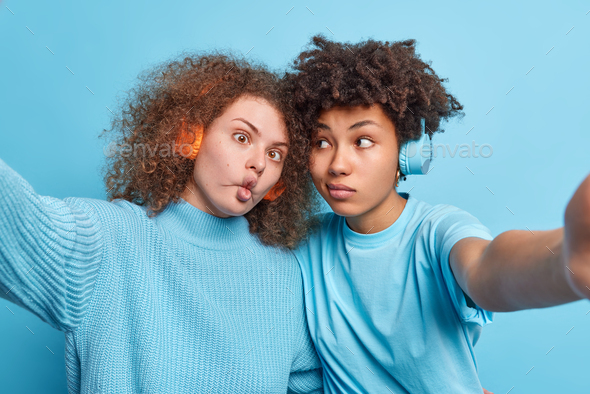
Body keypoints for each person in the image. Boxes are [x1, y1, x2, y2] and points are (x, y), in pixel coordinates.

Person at [0, 52, 325, 393]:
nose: (258, 163)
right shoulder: (108, 240)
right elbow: (14, 226)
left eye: (275, 154)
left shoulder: (285, 275)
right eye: (242, 137)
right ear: (189, 137)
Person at [285, 35, 590, 393]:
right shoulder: (302, 244)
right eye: (322, 143)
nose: (337, 165)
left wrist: (566, 258)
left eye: (362, 141)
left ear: (407, 154)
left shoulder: (437, 230)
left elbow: (486, 268)